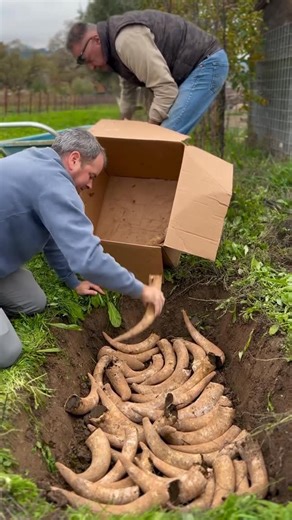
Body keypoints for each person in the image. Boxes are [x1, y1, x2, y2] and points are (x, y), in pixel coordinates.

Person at [0, 128, 165, 368]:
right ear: (74, 159)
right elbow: (88, 259)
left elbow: (53, 236)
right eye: (92, 175)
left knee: (33, 302)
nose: (90, 185)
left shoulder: (41, 161)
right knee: (7, 352)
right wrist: (141, 290)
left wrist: (72, 280)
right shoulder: (53, 183)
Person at [66, 9, 229, 134]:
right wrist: (125, 119)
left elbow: (165, 89)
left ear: (95, 40)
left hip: (207, 63)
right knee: (163, 139)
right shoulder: (114, 48)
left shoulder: (125, 41)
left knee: (165, 137)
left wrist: (149, 130)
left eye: (84, 58)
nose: (90, 67)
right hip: (192, 68)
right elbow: (128, 83)